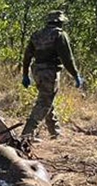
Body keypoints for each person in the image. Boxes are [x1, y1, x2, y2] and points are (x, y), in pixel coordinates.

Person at [21, 10, 82, 140]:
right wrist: (76, 75)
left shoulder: (37, 35)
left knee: (47, 99)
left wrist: (25, 74)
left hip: (37, 71)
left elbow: (27, 56)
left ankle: (55, 132)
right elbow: (67, 58)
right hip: (50, 72)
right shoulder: (59, 35)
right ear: (60, 22)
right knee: (44, 102)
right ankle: (27, 134)